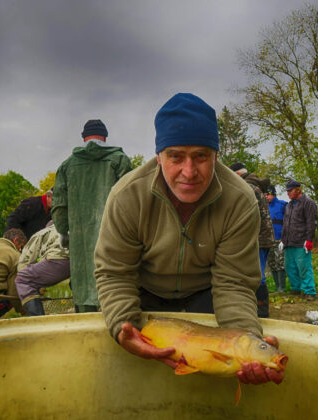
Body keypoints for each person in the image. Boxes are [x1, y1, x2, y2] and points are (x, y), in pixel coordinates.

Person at [95, 93, 284, 386]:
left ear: (216, 155)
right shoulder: (127, 196)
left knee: (213, 380)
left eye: (201, 156)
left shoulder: (240, 200)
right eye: (175, 157)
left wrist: (245, 343)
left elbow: (234, 283)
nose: (189, 171)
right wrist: (123, 327)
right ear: (159, 156)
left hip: (205, 292)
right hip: (145, 293)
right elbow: (115, 273)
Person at [52, 119, 132, 313]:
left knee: (84, 298)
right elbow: (131, 202)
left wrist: (63, 232)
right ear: (105, 137)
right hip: (115, 241)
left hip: (81, 245)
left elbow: (60, 205)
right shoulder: (119, 160)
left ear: (83, 138)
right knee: (115, 297)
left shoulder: (67, 165)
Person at [229, 162, 275, 317]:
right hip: (264, 237)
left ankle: (262, 311)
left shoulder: (247, 188)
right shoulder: (254, 186)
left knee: (258, 276)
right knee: (256, 274)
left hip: (258, 239)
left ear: (237, 175)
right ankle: (258, 308)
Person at [15, 221, 70, 316]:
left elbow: (24, 262)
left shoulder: (43, 232)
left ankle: (38, 321)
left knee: (22, 279)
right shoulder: (75, 227)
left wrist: (35, 285)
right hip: (83, 262)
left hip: (59, 259)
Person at [279, 180, 318, 300]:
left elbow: (311, 223)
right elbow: (286, 224)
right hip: (289, 242)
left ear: (298, 190)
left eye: (290, 190)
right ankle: (296, 288)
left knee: (304, 267)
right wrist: (282, 240)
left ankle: (309, 291)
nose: (288, 193)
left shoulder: (308, 203)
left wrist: (309, 240)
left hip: (301, 242)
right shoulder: (289, 205)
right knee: (290, 267)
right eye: (287, 191)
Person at [266, 185, 288, 291]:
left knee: (280, 262)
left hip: (280, 239)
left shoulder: (282, 205)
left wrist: (285, 238)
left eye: (268, 194)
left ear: (273, 194)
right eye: (265, 195)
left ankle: (282, 287)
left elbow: (288, 222)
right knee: (272, 263)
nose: (267, 197)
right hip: (269, 240)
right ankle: (276, 285)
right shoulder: (264, 206)